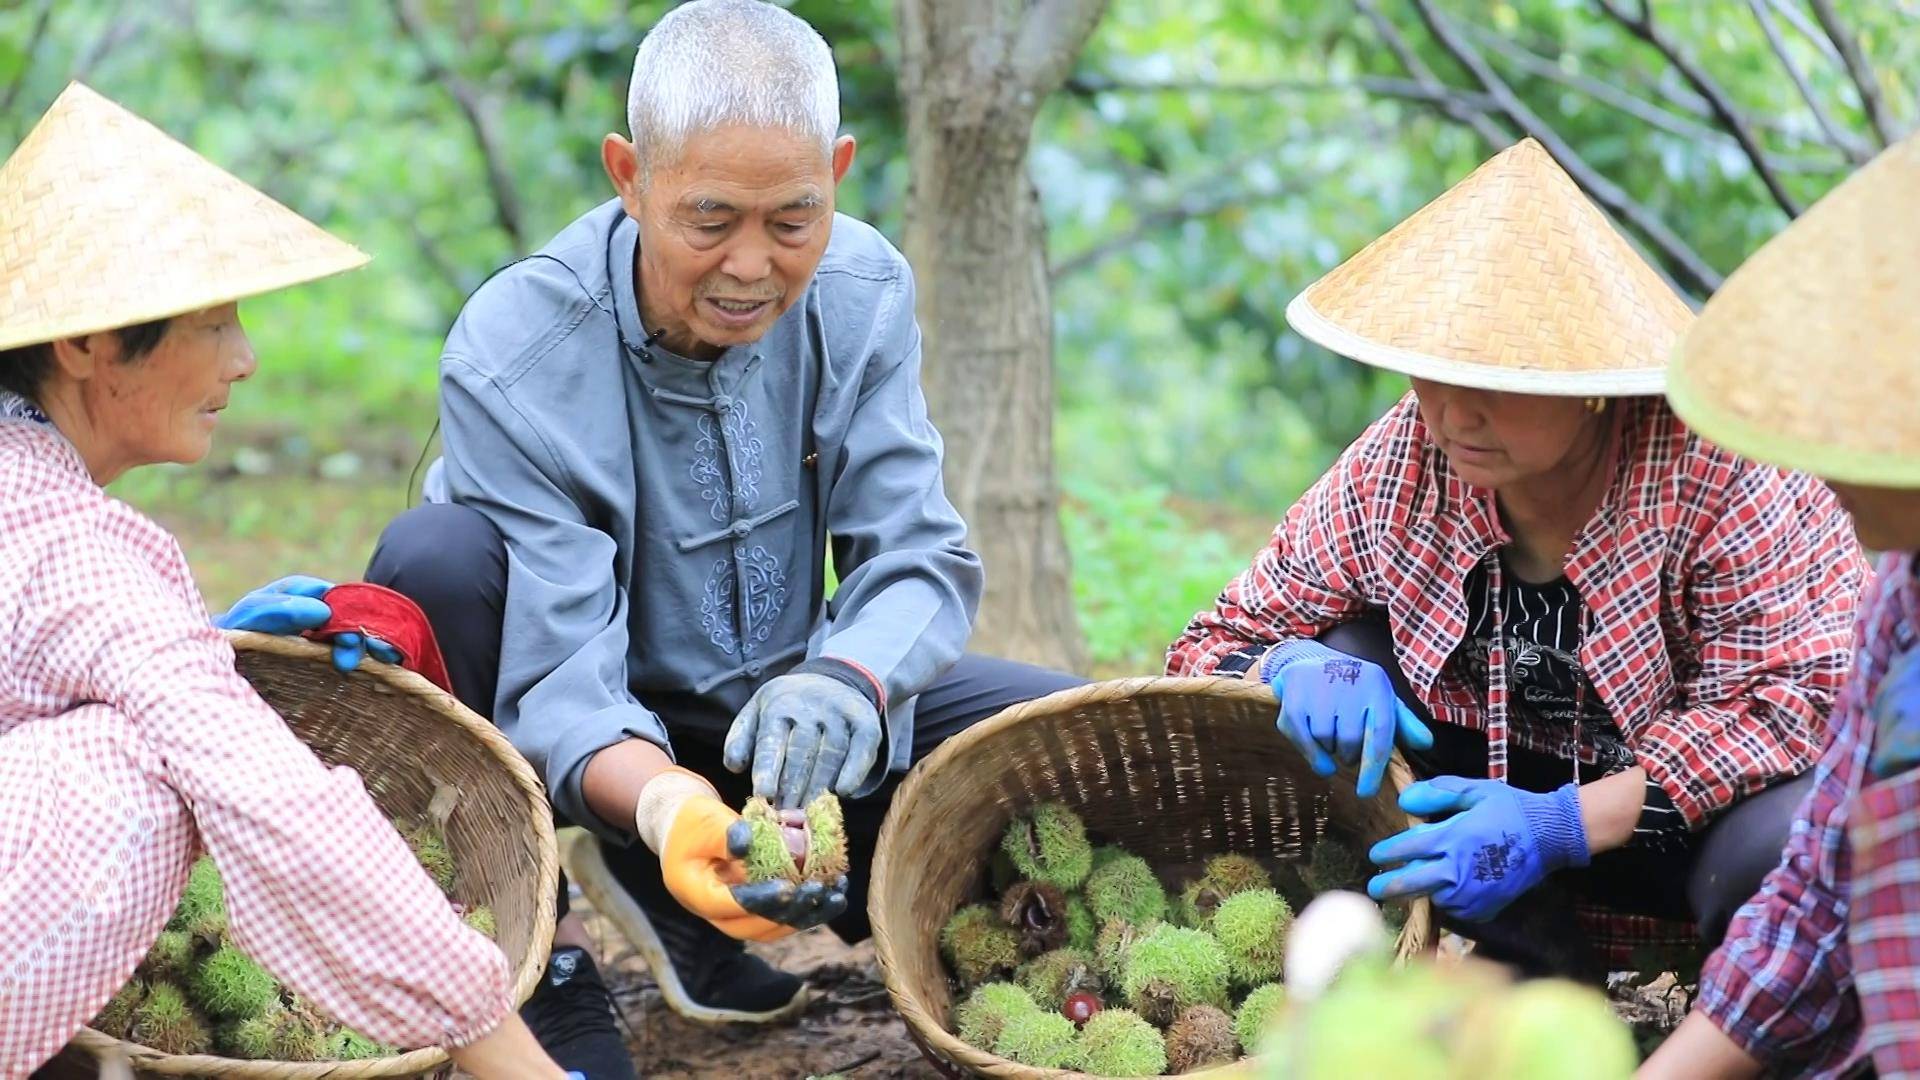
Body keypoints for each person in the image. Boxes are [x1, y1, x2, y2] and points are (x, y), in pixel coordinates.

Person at [220, 1, 1082, 1070]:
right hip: (595, 723)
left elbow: (915, 554)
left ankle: (678, 904)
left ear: (840, 173)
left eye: (792, 220)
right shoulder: (518, 351)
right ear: (629, 177)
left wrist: (849, 681)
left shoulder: (864, 291)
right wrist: (670, 808)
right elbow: (562, 668)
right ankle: (538, 941)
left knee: (1059, 739)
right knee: (434, 561)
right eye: (709, 220)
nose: (752, 267)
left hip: (786, 722)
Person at [1166, 138, 1866, 980]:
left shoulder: (1717, 469)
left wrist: (1557, 824)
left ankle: (1739, 1018)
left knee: (1785, 843)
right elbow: (1218, 636)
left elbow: (1798, 707)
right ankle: (1512, 972)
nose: (1455, 413)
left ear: (1592, 384)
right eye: (1433, 374)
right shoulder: (1407, 460)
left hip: (1673, 817)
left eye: (1499, 383)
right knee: (1345, 658)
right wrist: (1288, 663)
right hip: (1472, 802)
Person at [0, 84, 568, 1076]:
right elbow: (279, 807)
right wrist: (504, 1050)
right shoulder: (75, 549)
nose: (247, 358)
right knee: (137, 761)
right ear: (86, 345)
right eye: (215, 322)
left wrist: (195, 637)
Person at [1641, 132, 1920, 1080]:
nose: (1814, 463)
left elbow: (1778, 714)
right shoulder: (1899, 599)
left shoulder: (1717, 498)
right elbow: (1816, 894)